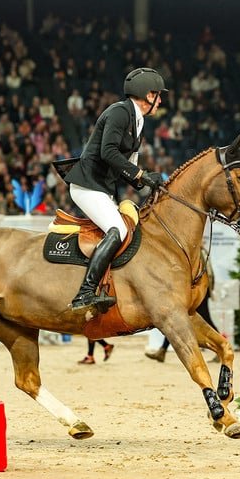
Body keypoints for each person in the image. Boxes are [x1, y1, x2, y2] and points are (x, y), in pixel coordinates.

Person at [64, 67, 167, 314]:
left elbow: (128, 166)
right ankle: (85, 292)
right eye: (158, 95)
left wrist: (146, 182)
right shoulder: (119, 112)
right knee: (118, 229)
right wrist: (140, 175)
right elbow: (107, 152)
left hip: (102, 188)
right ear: (148, 95)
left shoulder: (138, 121)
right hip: (88, 185)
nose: (161, 101)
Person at [146, 247, 216, 363]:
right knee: (175, 320)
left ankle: (221, 348)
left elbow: (202, 274)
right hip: (193, 292)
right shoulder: (196, 252)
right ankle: (162, 351)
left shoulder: (197, 252)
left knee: (206, 320)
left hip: (199, 293)